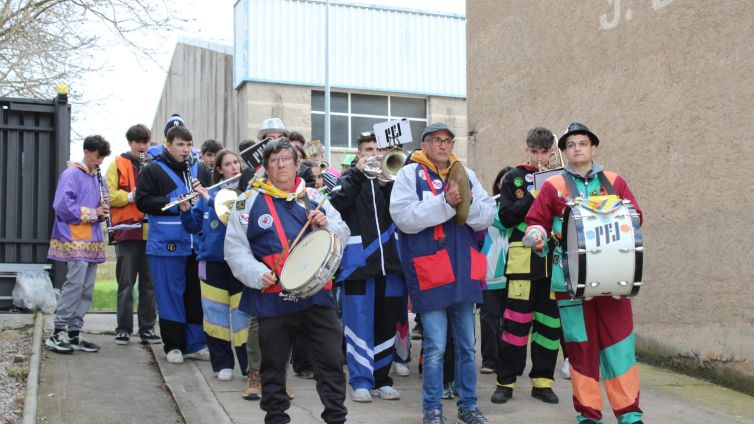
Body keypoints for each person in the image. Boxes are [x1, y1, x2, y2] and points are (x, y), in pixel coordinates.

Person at [525, 123, 644, 424]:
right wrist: (537, 236)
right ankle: (589, 415)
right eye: (571, 144)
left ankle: (629, 413)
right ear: (564, 152)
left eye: (583, 142)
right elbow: (535, 221)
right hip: (569, 282)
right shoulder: (552, 186)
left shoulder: (616, 181)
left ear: (594, 148)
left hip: (614, 279)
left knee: (620, 347)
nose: (577, 147)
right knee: (581, 350)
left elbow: (636, 216)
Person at [225, 138, 350, 424]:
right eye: (274, 160)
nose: (280, 165)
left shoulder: (316, 198)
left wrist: (326, 223)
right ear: (266, 167)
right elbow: (234, 249)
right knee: (272, 368)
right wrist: (257, 274)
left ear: (296, 164)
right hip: (272, 298)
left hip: (317, 297)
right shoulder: (247, 202)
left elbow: (342, 232)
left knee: (331, 362)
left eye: (286, 159)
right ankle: (276, 418)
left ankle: (336, 418)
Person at [390, 123, 495, 424]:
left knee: (466, 345)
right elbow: (404, 217)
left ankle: (469, 406)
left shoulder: (465, 173)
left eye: (448, 140)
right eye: (436, 140)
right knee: (435, 347)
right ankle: (432, 409)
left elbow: (487, 213)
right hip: (431, 272)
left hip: (463, 270)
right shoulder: (409, 174)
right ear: (424, 145)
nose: (443, 146)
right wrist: (445, 203)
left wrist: (466, 204)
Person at [328, 132, 406, 403]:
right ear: (358, 154)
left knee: (387, 323)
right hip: (357, 265)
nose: (373, 154)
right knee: (359, 324)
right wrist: (360, 175)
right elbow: (334, 206)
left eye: (377, 149)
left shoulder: (393, 179)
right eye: (367, 150)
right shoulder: (348, 180)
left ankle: (382, 379)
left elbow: (403, 213)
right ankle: (361, 380)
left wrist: (389, 182)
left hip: (391, 265)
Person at [491, 127, 562, 405]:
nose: (540, 158)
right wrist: (533, 195)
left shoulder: (561, 179)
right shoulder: (513, 178)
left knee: (549, 325)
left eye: (545, 153)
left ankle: (543, 382)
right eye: (535, 152)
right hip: (523, 262)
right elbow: (506, 217)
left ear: (552, 152)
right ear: (526, 149)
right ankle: (505, 382)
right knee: (515, 325)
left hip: (552, 262)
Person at [135, 125, 210, 364]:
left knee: (195, 294)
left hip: (196, 243)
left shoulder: (199, 168)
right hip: (166, 243)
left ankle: (196, 344)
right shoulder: (153, 169)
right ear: (167, 145)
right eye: (180, 144)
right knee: (169, 295)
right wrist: (173, 202)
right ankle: (174, 345)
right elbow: (143, 201)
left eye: (189, 145)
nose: (185, 150)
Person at [180, 149, 249, 380]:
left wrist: (211, 202)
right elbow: (193, 226)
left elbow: (235, 219)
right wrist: (186, 210)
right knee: (214, 314)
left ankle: (249, 365)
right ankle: (222, 364)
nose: (234, 167)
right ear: (219, 169)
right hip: (211, 261)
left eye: (236, 163)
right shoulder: (210, 192)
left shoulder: (248, 193)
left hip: (239, 262)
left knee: (242, 315)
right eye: (228, 164)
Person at [46, 135, 112, 354]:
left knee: (87, 287)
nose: (99, 161)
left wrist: (103, 212)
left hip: (92, 238)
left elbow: (102, 205)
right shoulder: (72, 174)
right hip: (74, 236)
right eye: (97, 156)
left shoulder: (97, 177)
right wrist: (94, 213)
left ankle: (74, 331)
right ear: (87, 151)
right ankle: (58, 331)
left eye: (102, 158)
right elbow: (62, 206)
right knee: (74, 285)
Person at [106, 124, 160, 345]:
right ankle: (123, 328)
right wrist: (130, 197)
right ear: (130, 142)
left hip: (151, 233)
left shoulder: (156, 165)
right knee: (126, 283)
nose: (141, 146)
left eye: (145, 142)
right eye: (137, 142)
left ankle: (147, 328)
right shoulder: (117, 164)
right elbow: (108, 195)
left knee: (149, 284)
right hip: (127, 232)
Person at [478, 166, 512, 372]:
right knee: (489, 318)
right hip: (491, 271)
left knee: (511, 319)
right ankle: (489, 360)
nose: (506, 183)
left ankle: (507, 360)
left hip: (515, 269)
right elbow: (501, 221)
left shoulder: (524, 206)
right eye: (503, 179)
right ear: (499, 183)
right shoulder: (490, 205)